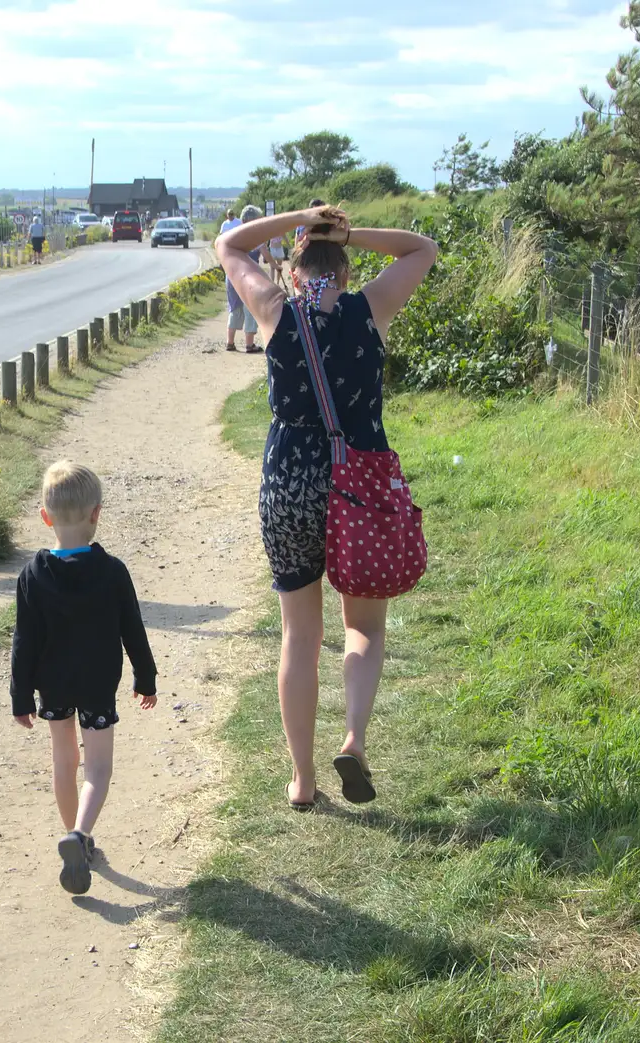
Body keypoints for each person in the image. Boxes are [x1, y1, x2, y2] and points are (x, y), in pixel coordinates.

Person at [216, 205, 438, 809]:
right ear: (346, 269)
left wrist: (296, 219)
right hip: (358, 478)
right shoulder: (370, 311)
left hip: (289, 480)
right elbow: (423, 249)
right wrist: (345, 230)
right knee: (363, 627)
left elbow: (229, 245)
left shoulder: (274, 311)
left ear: (292, 271)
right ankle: (355, 740)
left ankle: (303, 781)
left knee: (299, 635)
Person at [11, 461, 158, 895]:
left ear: (45, 517)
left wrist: (21, 697)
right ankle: (80, 835)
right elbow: (133, 628)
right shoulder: (112, 571)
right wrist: (145, 678)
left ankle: (74, 838)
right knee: (97, 768)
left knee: (64, 761)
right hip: (97, 684)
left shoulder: (32, 575)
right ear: (96, 514)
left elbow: (24, 641)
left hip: (52, 684)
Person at [223, 204, 265, 352]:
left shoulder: (233, 233)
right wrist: (275, 266)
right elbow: (265, 253)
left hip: (232, 275)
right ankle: (249, 344)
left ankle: (230, 342)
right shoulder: (254, 235)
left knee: (234, 308)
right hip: (248, 276)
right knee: (251, 309)